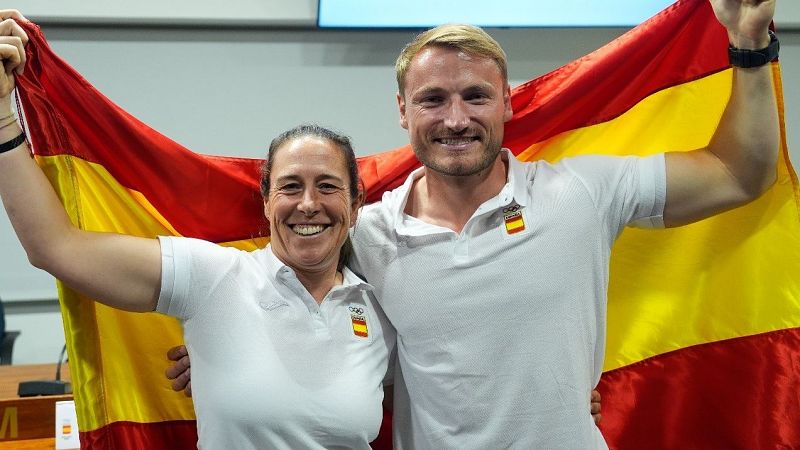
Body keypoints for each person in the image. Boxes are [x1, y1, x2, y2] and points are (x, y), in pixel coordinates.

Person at [170, 0, 780, 447]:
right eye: (433, 100)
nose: (455, 118)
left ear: (509, 102)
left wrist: (750, 51)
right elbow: (294, 297)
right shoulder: (366, 234)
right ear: (403, 112)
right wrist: (234, 347)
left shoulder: (583, 192)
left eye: (475, 96)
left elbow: (738, 174)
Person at [0, 13, 396, 445]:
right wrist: (2, 117)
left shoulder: (381, 310)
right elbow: (55, 248)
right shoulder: (213, 276)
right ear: (265, 203)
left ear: (356, 206)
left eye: (327, 187)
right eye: (290, 186)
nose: (308, 204)